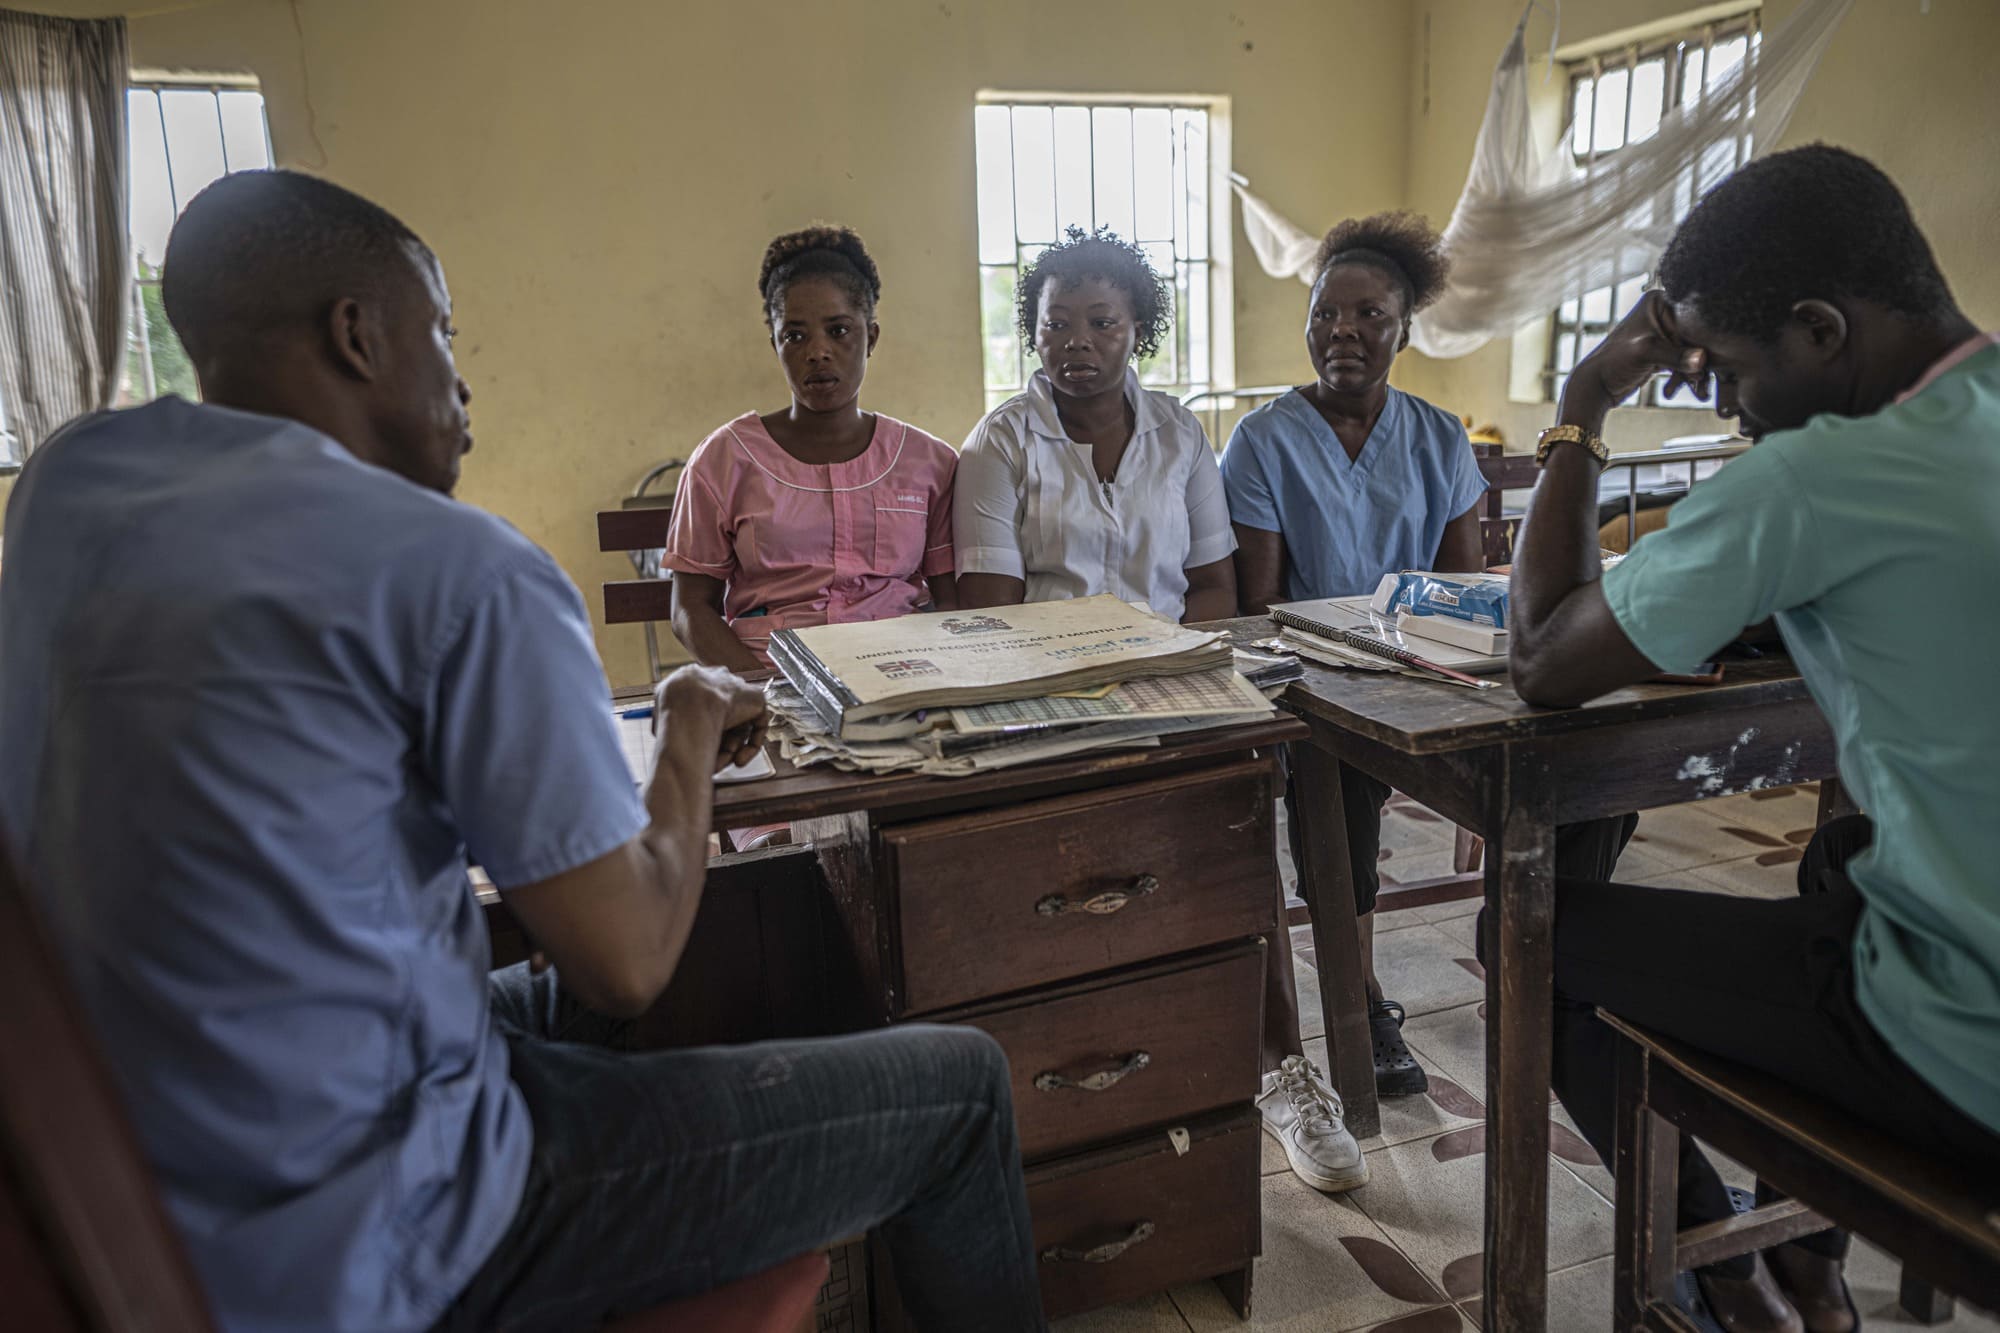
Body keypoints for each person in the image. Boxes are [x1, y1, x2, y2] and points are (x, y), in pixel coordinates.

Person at [0, 169, 1046, 1333]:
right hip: (370, 1217)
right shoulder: (462, 570)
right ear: (357, 334)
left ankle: (676, 1142)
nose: (459, 378)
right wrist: (692, 723)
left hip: (143, 1146)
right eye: (440, 332)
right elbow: (628, 958)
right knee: (958, 1084)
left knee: (572, 992)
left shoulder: (68, 483)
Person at [1505, 144, 2000, 1333]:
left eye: (1727, 369)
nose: (1725, 404)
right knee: (1836, 865)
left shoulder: (1819, 478)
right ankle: (1809, 1268)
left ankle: (1723, 1275)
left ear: (1820, 330)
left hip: (1966, 1041)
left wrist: (1580, 408)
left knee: (1533, 934)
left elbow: (1542, 660)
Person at [1219, 214, 1634, 1190]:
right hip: (1319, 683)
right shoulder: (1262, 441)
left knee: (1586, 763)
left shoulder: (1438, 436)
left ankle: (1548, 969)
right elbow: (1260, 606)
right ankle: (1360, 996)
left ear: (1406, 330)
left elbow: (1467, 588)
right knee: (1339, 791)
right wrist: (1350, 658)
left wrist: (1453, 678)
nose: (1343, 332)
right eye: (1326, 313)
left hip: (1432, 671)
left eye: (1370, 314)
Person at [665, 226, 958, 673]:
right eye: (795, 336)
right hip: (772, 678)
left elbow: (952, 601)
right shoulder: (724, 460)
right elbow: (689, 608)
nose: (818, 352)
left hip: (902, 676)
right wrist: (760, 690)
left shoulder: (928, 462)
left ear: (871, 337)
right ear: (775, 345)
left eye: (839, 330)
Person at [954, 224, 1238, 624]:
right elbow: (990, 606)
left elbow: (1214, 587)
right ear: (1034, 334)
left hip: (1167, 660)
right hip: (1048, 664)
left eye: (1102, 323)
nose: (1077, 341)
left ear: (1137, 333)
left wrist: (1173, 655)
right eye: (1056, 325)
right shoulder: (1001, 440)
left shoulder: (1180, 433)